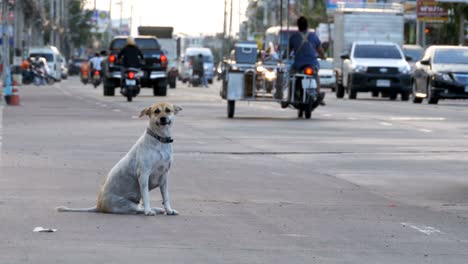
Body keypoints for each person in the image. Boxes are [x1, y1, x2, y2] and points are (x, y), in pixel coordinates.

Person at [289, 16, 326, 105]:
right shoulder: (313, 36)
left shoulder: (294, 37)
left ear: (298, 26)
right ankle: (317, 93)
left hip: (298, 65)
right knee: (316, 76)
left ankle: (290, 96)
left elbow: (287, 52)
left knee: (291, 77)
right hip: (312, 64)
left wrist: (284, 57)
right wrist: (323, 57)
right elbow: (320, 50)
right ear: (307, 25)